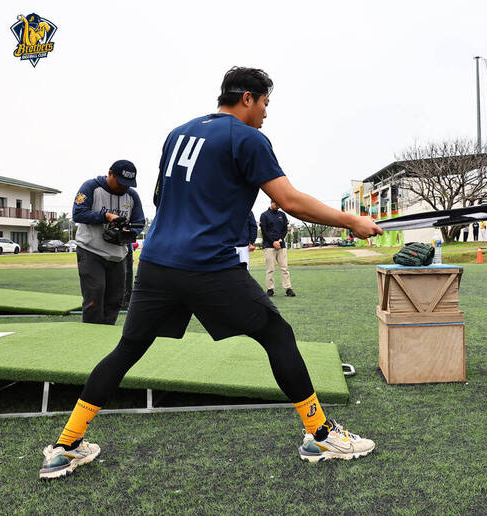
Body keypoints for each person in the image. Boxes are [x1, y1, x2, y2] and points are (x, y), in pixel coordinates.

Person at [39, 66, 383, 480]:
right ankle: (320, 434)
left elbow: (165, 197)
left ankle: (66, 444)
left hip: (155, 263)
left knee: (128, 349)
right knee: (277, 335)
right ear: (248, 99)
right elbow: (288, 199)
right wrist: (351, 221)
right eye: (265, 105)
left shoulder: (177, 133)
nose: (266, 115)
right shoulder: (249, 137)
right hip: (207, 265)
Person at [72, 160, 145, 325]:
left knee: (115, 298)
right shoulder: (91, 187)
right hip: (91, 250)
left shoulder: (132, 195)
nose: (123, 187)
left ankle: (107, 330)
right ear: (110, 173)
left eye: (127, 184)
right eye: (120, 183)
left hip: (118, 254)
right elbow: (78, 213)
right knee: (95, 293)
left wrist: (129, 233)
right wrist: (106, 217)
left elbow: (139, 222)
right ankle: (91, 332)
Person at [261, 200, 294, 297]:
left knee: (284, 268)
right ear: (271, 202)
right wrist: (273, 242)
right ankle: (270, 289)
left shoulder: (282, 215)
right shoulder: (264, 215)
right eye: (276, 204)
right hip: (269, 246)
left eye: (280, 204)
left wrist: (280, 239)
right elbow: (264, 231)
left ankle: (288, 288)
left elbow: (284, 229)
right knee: (270, 269)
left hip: (281, 245)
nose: (278, 206)